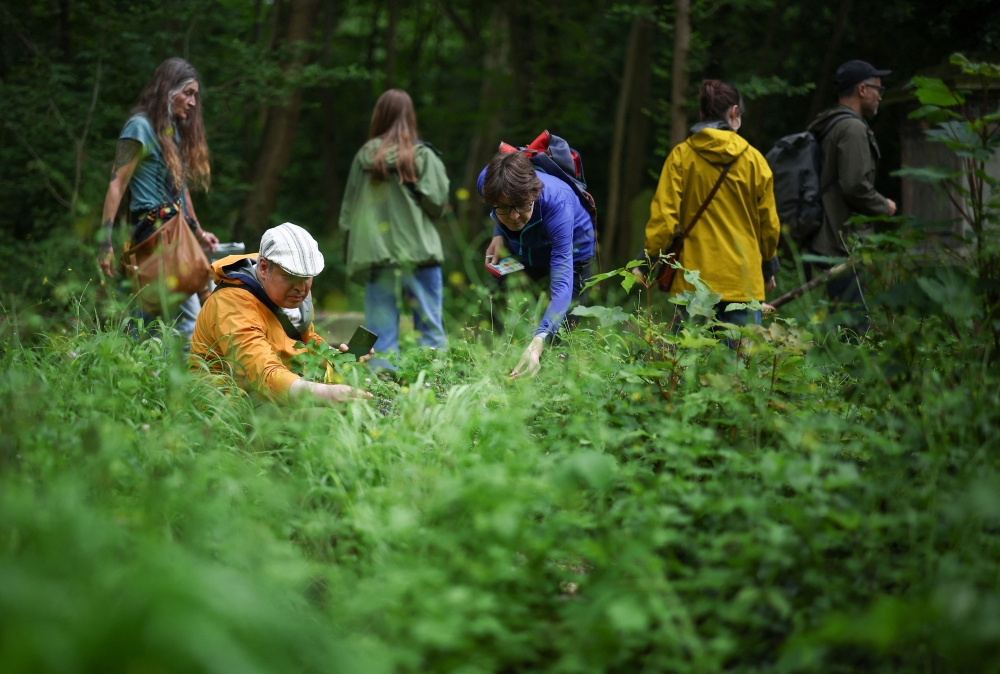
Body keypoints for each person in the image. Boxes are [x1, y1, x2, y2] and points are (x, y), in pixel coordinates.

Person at [640, 80, 781, 327]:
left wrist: (648, 262)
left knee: (688, 363)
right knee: (740, 364)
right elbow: (769, 225)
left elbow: (664, 218)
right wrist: (769, 267)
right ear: (734, 113)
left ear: (703, 113)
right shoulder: (754, 161)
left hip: (693, 286)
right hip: (743, 284)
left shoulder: (681, 156)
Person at [97, 57, 219, 340]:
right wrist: (104, 242)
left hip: (173, 233)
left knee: (144, 325)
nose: (192, 102)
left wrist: (198, 232)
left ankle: (134, 377)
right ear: (167, 89)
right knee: (188, 322)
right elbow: (117, 185)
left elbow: (180, 189)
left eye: (195, 96)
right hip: (152, 235)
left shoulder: (171, 131)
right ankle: (182, 383)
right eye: (187, 93)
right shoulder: (138, 127)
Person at [190, 223, 373, 404]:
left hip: (266, 397)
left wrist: (338, 359)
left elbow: (301, 344)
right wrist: (326, 394)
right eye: (290, 276)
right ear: (263, 268)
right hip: (224, 409)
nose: (301, 289)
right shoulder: (233, 304)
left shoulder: (286, 292)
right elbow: (263, 374)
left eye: (307, 278)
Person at [339, 89, 450, 367]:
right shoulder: (422, 156)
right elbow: (437, 203)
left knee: (380, 336)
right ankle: (433, 395)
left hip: (376, 257)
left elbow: (348, 214)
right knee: (430, 331)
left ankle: (383, 400)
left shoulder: (364, 157)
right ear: (410, 117)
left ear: (379, 116)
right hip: (420, 254)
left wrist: (352, 252)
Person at [479, 151, 596, 378]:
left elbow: (562, 286)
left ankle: (553, 388)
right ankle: (496, 373)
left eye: (522, 205)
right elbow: (502, 210)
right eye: (504, 208)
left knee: (561, 328)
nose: (514, 217)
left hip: (573, 250)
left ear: (533, 194)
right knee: (501, 305)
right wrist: (498, 233)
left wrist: (540, 337)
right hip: (526, 246)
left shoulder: (557, 204)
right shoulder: (486, 181)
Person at [807, 60, 896, 332]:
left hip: (830, 238)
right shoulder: (852, 128)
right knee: (853, 327)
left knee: (842, 321)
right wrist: (885, 206)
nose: (880, 95)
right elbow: (854, 185)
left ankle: (837, 371)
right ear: (861, 89)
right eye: (877, 89)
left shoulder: (831, 122)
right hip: (843, 243)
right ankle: (850, 373)